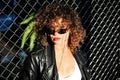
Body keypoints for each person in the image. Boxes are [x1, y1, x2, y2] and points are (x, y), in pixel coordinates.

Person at [19, 2, 90, 80]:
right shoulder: (37, 58)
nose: (55, 33)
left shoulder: (79, 55)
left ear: (71, 29)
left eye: (61, 30)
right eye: (51, 29)